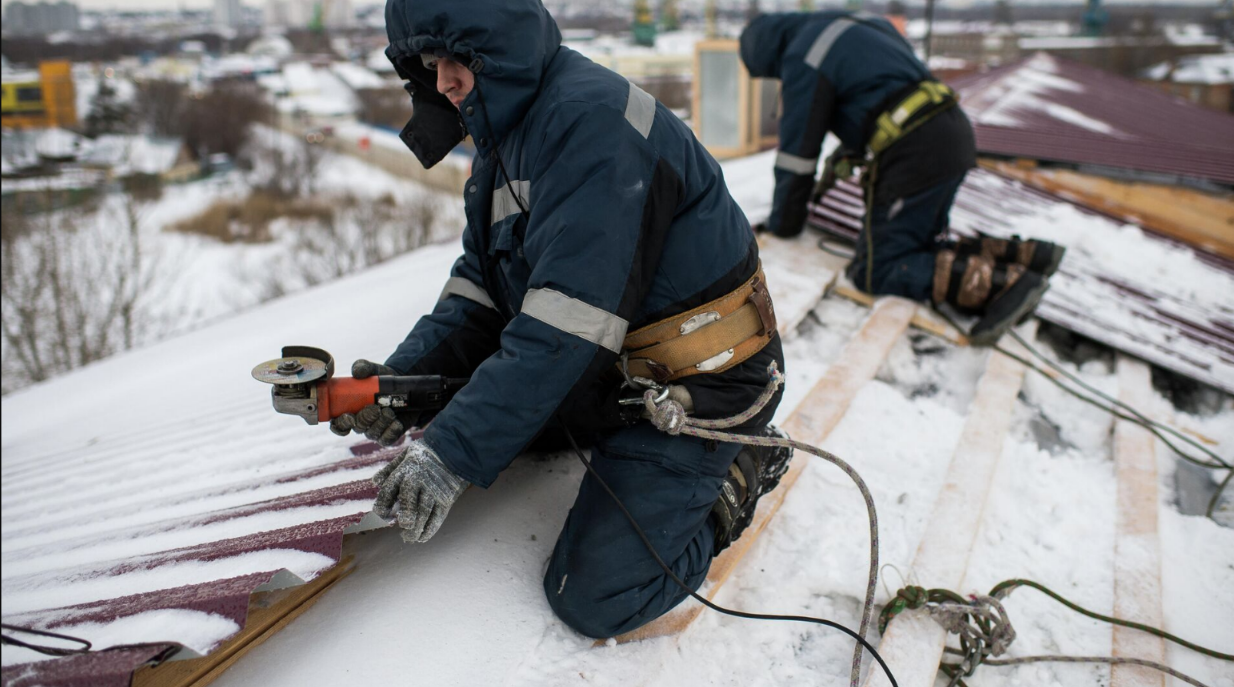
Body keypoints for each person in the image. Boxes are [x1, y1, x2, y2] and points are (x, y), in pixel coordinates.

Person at [329, 0, 791, 639]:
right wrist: (404, 384)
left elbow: (564, 326)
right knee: (483, 413)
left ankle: (738, 474)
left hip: (701, 382)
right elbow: (482, 294)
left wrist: (451, 452)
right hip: (609, 372)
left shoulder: (590, 124)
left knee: (596, 595)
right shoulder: (507, 136)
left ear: (505, 45)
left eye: (460, 58)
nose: (445, 81)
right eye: (429, 64)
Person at [740, 11, 1064, 345]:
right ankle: (1027, 257)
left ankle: (1004, 287)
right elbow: (880, 91)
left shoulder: (803, 57)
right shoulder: (859, 25)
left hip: (916, 150)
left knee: (874, 271)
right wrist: (852, 146)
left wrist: (784, 225)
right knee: (918, 245)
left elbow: (797, 158)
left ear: (768, 55)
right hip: (950, 130)